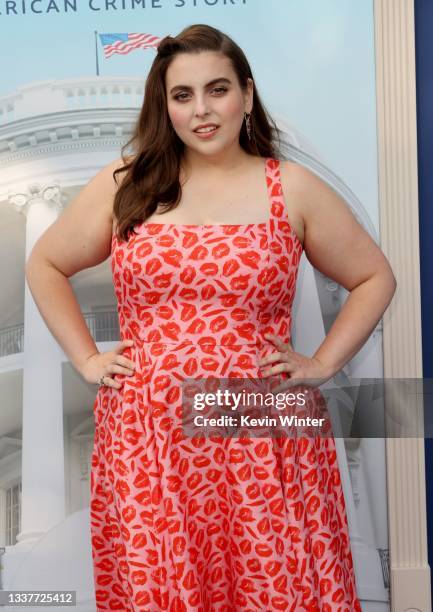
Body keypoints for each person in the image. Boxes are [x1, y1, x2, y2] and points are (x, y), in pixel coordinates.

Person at [25, 23, 396, 612]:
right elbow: (45, 262)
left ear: (246, 95)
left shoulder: (292, 189)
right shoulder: (128, 186)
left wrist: (322, 362)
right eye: (182, 95)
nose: (201, 110)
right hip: (150, 433)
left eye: (217, 89)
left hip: (263, 425)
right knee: (166, 587)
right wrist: (87, 358)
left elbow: (375, 277)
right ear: (163, 105)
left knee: (274, 581)